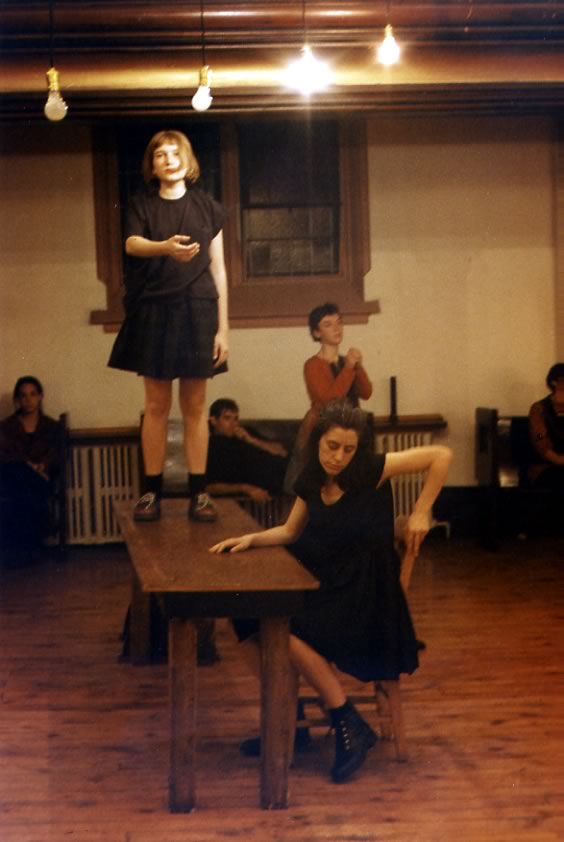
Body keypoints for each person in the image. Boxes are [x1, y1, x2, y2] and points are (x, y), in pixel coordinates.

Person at [210, 398, 453, 784]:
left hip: (366, 600)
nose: (339, 457)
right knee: (241, 619)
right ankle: (289, 716)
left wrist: (422, 510)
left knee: (282, 627)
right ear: (318, 442)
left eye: (348, 449)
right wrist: (251, 539)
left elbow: (441, 455)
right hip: (328, 586)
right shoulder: (312, 475)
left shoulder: (371, 469)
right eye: (332, 446)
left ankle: (346, 718)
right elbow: (290, 531)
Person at [108, 130, 229, 524]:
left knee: (195, 407)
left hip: (199, 311)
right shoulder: (141, 204)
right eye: (160, 154)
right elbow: (131, 243)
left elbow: (219, 270)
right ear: (153, 165)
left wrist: (223, 330)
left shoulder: (208, 207)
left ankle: (200, 494)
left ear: (188, 160)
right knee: (156, 406)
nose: (169, 159)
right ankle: (151, 493)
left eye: (175, 153)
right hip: (155, 310)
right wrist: (164, 248)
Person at [284, 302, 373, 492]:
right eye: (328, 324)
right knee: (325, 485)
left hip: (351, 428)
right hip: (325, 430)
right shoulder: (312, 365)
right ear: (317, 333)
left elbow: (366, 392)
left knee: (355, 483)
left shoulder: (346, 361)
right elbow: (329, 402)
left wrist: (357, 366)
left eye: (339, 322)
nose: (336, 328)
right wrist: (349, 368)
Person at [0, 376, 61, 566]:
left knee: (25, 490)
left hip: (42, 479)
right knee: (19, 478)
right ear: (17, 399)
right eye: (23, 395)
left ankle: (24, 547)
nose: (28, 400)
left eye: (33, 394)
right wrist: (28, 466)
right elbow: (5, 454)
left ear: (40, 396)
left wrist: (43, 465)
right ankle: (28, 545)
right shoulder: (7, 426)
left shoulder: (51, 426)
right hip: (15, 479)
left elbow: (56, 453)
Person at [206, 398, 288, 501]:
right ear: (214, 420)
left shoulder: (247, 432)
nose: (234, 424)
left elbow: (282, 452)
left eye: (236, 419)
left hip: (287, 471)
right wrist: (245, 488)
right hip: (276, 482)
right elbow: (209, 487)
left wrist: (251, 440)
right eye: (227, 418)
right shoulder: (211, 446)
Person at [528, 362, 564, 490]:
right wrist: (560, 460)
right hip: (546, 466)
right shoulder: (539, 409)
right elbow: (539, 438)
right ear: (554, 382)